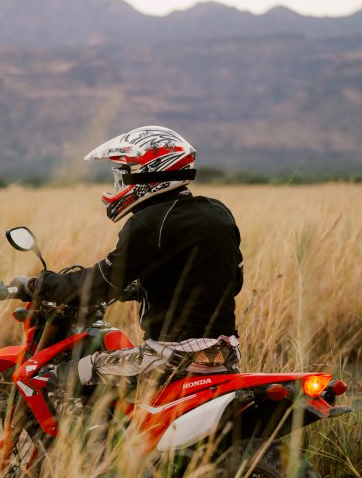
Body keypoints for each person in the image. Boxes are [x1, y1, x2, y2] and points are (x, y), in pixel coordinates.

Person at [29, 125, 243, 389]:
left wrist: (43, 284)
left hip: (170, 356)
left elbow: (100, 285)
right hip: (227, 355)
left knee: (56, 378)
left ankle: (95, 431)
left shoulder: (149, 222)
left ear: (147, 174)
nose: (119, 184)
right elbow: (234, 281)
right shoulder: (218, 211)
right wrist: (145, 287)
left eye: (123, 175)